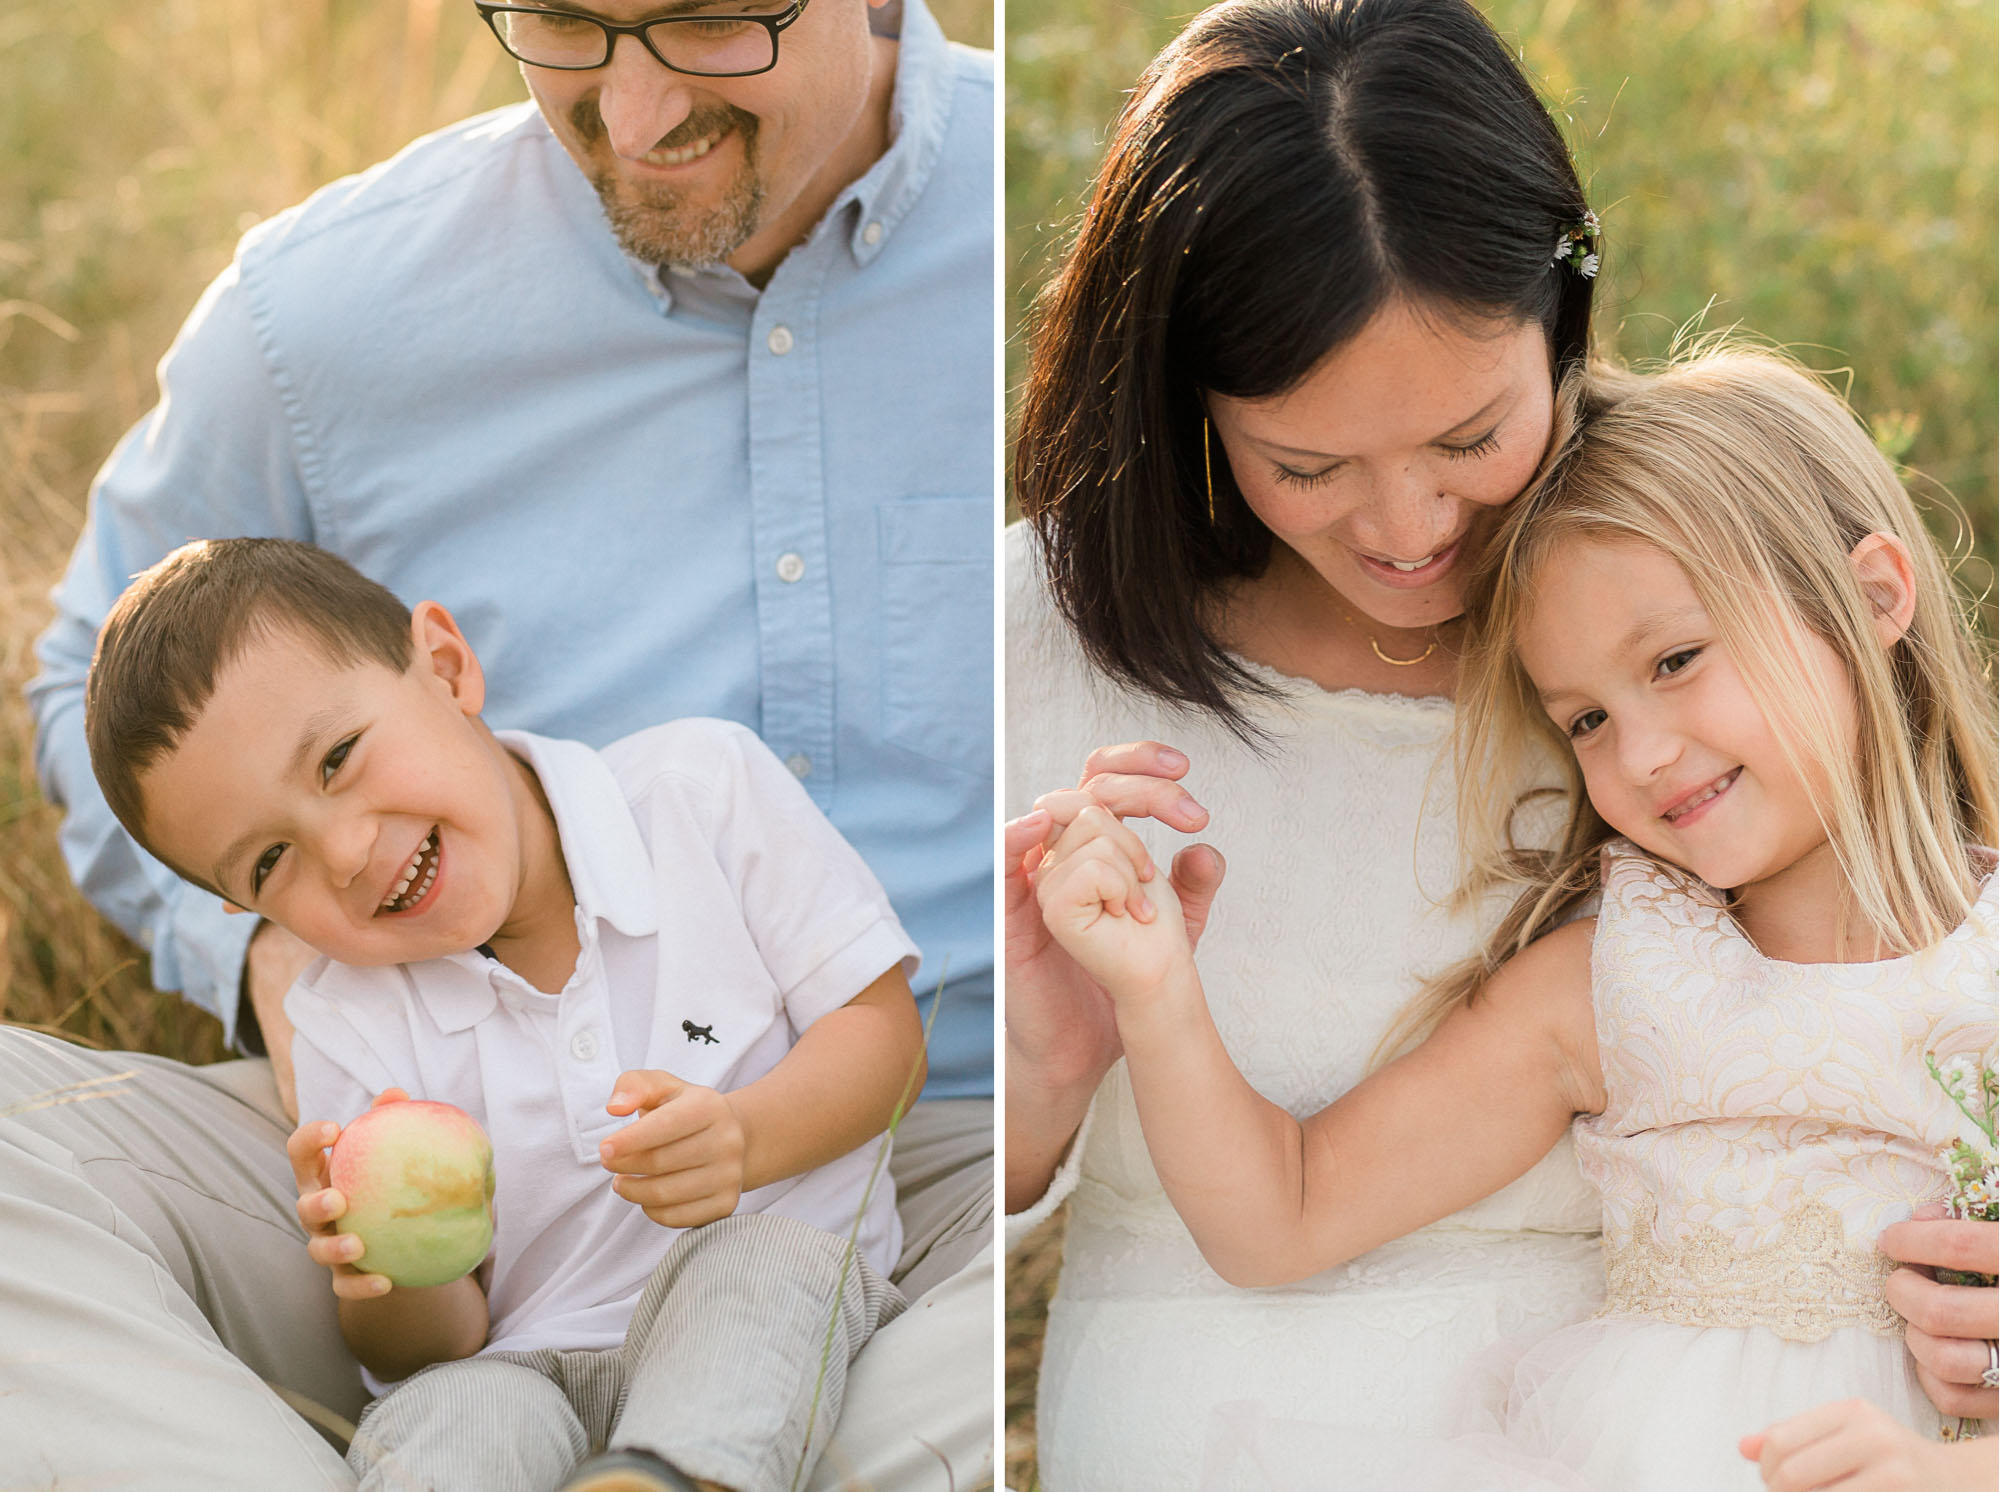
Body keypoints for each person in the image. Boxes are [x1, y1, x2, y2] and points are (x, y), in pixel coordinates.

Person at [1002, 0, 1998, 1485]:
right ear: (1194, 412)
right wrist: (1082, 1032)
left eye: (1470, 441)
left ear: (1563, 326)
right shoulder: (1040, 628)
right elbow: (1256, 1203)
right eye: (1308, 465)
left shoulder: (1652, 551)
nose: (1410, 534)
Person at [12, 0, 993, 1483]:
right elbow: (94, 679)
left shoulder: (1103, 214)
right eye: (562, 25)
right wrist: (269, 957)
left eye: (712, 20)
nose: (638, 115)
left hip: (947, 1141)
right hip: (482, 1203)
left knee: (926, 1358)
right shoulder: (320, 312)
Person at [86, 538, 923, 1492]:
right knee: (444, 1411)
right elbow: (437, 1345)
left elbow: (887, 1039)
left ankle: (673, 1479)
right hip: (525, 1362)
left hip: (763, 1283)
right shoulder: (342, 1018)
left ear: (445, 667)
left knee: (767, 1271)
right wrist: (390, 1272)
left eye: (339, 759)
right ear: (244, 907)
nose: (348, 851)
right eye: (271, 862)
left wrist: (748, 1136)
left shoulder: (699, 794)